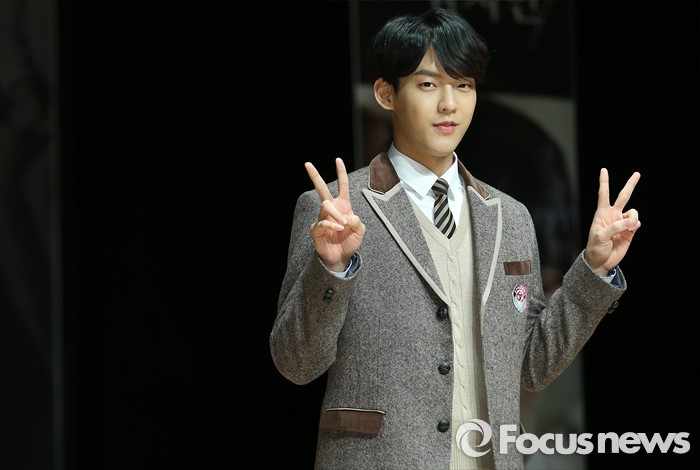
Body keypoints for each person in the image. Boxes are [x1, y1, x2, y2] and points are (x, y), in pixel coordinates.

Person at [270, 7, 641, 470]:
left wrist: (594, 269)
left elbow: (533, 365)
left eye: (464, 85)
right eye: (428, 85)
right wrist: (331, 269)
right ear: (386, 93)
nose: (449, 104)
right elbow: (297, 364)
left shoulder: (511, 217)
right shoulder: (335, 212)